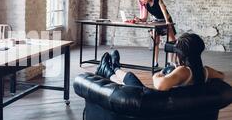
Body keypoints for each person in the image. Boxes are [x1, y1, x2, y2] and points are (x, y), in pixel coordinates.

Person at [95, 33, 225, 91]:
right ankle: (111, 71)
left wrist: (161, 73)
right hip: (172, 108)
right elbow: (221, 75)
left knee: (130, 78)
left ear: (180, 55)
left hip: (153, 106)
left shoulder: (183, 71)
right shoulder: (204, 71)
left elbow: (160, 85)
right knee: (126, 83)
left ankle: (114, 69)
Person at [135, 0, 177, 67]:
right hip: (157, 22)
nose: (141, 1)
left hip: (165, 20)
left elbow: (164, 10)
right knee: (156, 42)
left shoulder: (158, 0)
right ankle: (155, 62)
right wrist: (139, 20)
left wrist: (167, 21)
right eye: (140, 0)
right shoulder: (146, 5)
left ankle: (170, 62)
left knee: (172, 41)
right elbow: (144, 18)